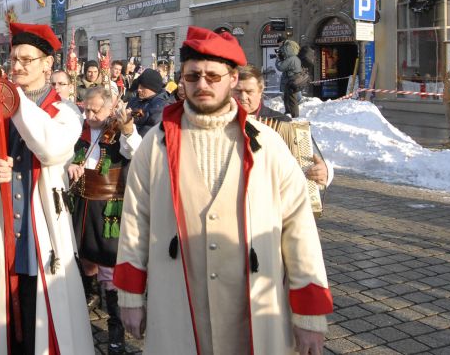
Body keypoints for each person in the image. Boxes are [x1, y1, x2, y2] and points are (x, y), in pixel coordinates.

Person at [114, 27, 332, 355]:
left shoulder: (268, 145)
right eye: (193, 76)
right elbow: (134, 223)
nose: (202, 84)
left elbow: (299, 231)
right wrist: (130, 296)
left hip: (252, 309)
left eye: (213, 76)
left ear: (232, 78)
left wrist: (310, 314)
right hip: (179, 306)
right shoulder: (154, 145)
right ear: (182, 81)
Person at [0, 22, 94, 355]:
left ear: (47, 64)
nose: (18, 66)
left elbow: (51, 148)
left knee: (41, 320)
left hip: (43, 234)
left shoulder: (65, 111)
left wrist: (14, 100)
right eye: (14, 59)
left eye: (27, 59)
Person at [68, 87, 140, 355]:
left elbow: (135, 151)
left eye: (95, 110)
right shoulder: (80, 131)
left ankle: (116, 330)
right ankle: (86, 304)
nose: (89, 115)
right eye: (86, 109)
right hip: (83, 204)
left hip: (110, 206)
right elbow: (64, 156)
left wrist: (128, 128)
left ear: (110, 109)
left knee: (110, 267)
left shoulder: (119, 130)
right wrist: (69, 166)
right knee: (83, 258)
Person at [233, 65, 333, 189]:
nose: (243, 97)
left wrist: (324, 171)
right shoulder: (218, 122)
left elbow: (312, 160)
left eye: (249, 92)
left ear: (260, 92)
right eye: (237, 91)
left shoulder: (282, 123)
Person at [125, 67, 170, 137]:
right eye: (139, 85)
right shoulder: (134, 100)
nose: (139, 89)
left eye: (143, 87)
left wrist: (127, 126)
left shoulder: (161, 107)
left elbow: (147, 135)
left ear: (153, 88)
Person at [276, 39, 304, 118]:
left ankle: (294, 115)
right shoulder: (296, 58)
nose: (283, 52)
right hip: (294, 79)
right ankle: (288, 112)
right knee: (288, 97)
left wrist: (277, 60)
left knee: (292, 98)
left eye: (284, 50)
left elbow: (280, 67)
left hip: (291, 80)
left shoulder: (290, 59)